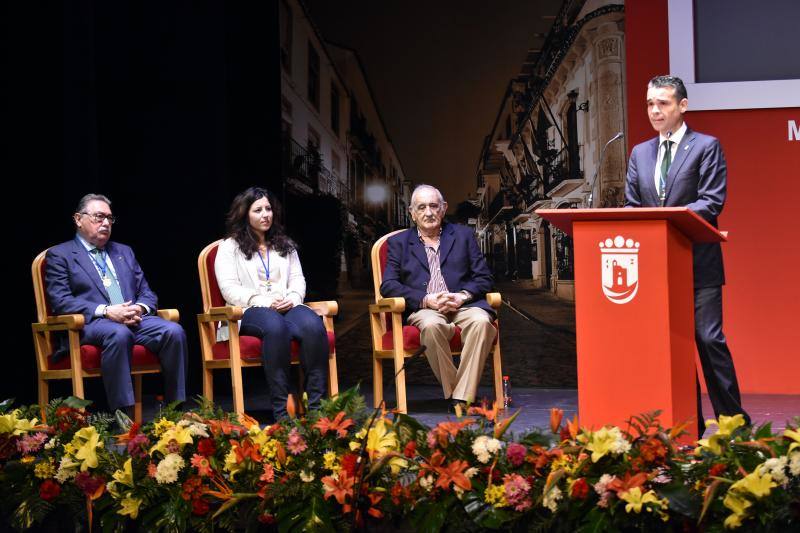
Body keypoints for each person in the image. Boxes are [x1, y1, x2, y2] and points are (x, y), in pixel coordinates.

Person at [624, 75, 750, 434]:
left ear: (682, 106)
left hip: (698, 265)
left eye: (663, 103)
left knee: (709, 340)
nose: (655, 110)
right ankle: (687, 427)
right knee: (672, 349)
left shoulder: (706, 146)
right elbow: (634, 206)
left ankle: (735, 427)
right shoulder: (640, 153)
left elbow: (711, 201)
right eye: (650, 103)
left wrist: (665, 221)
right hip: (656, 268)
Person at [45, 193, 187, 415]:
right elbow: (60, 301)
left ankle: (175, 411)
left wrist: (138, 308)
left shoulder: (124, 252)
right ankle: (124, 416)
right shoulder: (60, 255)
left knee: (173, 331)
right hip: (90, 324)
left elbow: (147, 293)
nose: (105, 223)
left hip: (134, 320)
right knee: (119, 334)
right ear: (78, 219)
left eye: (109, 219)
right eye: (99, 217)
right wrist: (107, 311)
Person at [214, 187, 328, 419]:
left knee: (314, 326)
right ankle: (282, 411)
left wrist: (293, 298)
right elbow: (229, 288)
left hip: (287, 305)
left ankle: (317, 410)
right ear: (245, 214)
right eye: (258, 210)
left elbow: (298, 279)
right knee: (276, 327)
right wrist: (264, 301)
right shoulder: (229, 247)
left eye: (268, 209)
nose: (265, 214)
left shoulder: (284, 244)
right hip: (248, 310)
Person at [380, 184, 495, 407]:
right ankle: (461, 396)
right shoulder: (399, 243)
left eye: (434, 206)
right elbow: (389, 286)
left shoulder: (463, 235)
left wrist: (462, 296)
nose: (429, 212)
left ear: (443, 209)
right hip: (424, 309)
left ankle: (459, 397)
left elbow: (484, 278)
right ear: (412, 213)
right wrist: (425, 299)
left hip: (463, 305)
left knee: (482, 322)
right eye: (421, 207)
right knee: (431, 326)